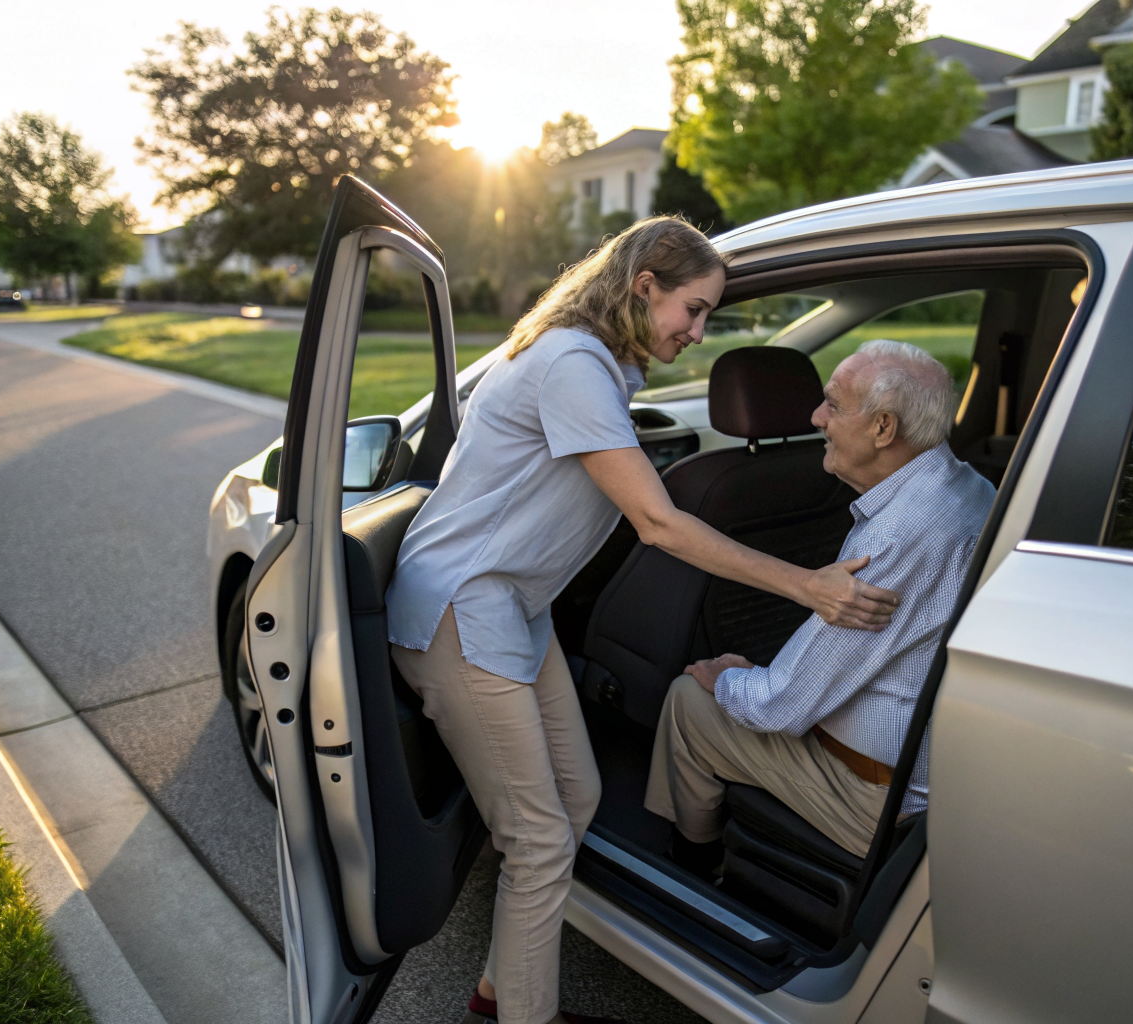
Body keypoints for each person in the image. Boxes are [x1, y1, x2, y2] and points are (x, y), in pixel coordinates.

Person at [384, 217, 898, 1024]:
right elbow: (656, 523)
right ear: (641, 287)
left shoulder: (599, 367)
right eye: (690, 311)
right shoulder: (571, 363)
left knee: (576, 799)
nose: (696, 333)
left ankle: (499, 997)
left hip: (516, 606)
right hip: (461, 607)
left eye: (706, 318)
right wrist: (808, 586)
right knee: (540, 839)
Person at [644, 339, 996, 875]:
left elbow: (781, 706)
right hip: (944, 771)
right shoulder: (968, 487)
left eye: (832, 404)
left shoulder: (898, 535)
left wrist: (728, 679)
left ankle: (693, 867)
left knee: (688, 700)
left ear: (882, 428)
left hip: (880, 798)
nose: (815, 418)